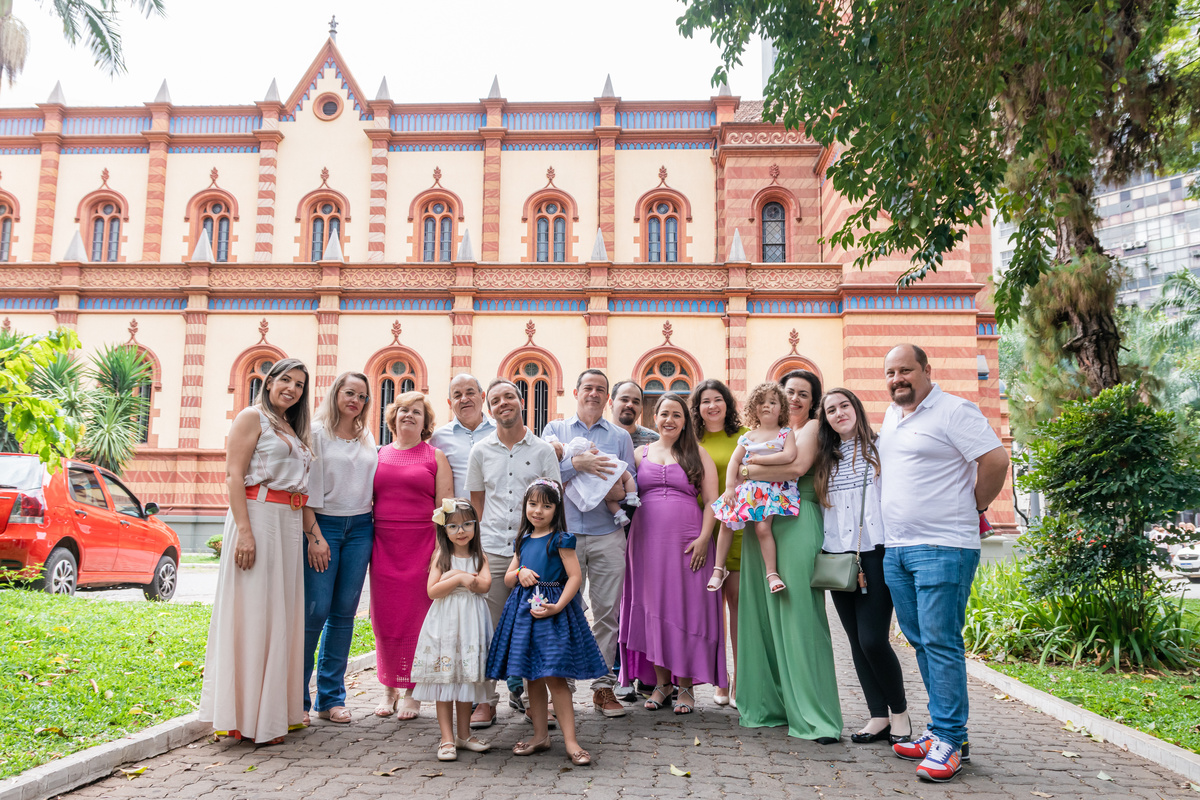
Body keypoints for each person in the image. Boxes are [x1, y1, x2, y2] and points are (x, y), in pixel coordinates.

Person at [878, 344, 1009, 782]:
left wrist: (975, 505)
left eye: (906, 370)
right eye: (890, 372)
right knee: (921, 642)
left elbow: (995, 459)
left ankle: (950, 738)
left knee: (941, 642)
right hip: (898, 548)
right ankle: (944, 732)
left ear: (927, 370)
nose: (897, 379)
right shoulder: (892, 415)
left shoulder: (954, 410)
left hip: (943, 546)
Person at [199, 358, 314, 745]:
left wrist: (311, 532)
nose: (292, 389)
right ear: (269, 382)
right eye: (286, 380)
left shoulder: (291, 426)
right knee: (255, 613)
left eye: (299, 385)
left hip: (287, 522)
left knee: (280, 614)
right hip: (258, 516)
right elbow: (234, 475)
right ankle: (245, 719)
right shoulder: (252, 417)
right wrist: (245, 532)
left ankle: (274, 715)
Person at [735, 369, 843, 742]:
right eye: (789, 391)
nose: (794, 398)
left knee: (800, 616)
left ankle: (815, 715)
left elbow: (796, 469)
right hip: (762, 522)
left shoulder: (810, 428)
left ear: (813, 402)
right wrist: (748, 472)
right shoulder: (768, 432)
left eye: (803, 394)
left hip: (796, 521)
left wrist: (748, 469)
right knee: (761, 616)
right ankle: (771, 705)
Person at [486, 479, 608, 766]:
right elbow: (508, 578)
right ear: (525, 506)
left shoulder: (561, 540)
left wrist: (558, 607)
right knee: (532, 676)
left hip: (553, 614)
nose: (538, 511)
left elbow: (575, 577)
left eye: (546, 506)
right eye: (532, 504)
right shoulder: (523, 540)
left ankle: (571, 741)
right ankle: (540, 736)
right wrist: (520, 572)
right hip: (524, 615)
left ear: (556, 510)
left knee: (555, 676)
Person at [619, 393, 726, 714]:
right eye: (664, 414)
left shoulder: (698, 453)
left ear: (685, 421)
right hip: (645, 543)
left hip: (689, 542)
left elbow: (712, 501)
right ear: (655, 417)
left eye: (677, 415)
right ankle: (663, 684)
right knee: (653, 608)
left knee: (685, 609)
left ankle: (686, 686)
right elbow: (621, 488)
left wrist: (705, 538)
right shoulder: (639, 454)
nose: (670, 420)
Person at [814, 388, 909, 746]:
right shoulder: (825, 458)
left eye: (844, 406)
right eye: (831, 410)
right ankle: (878, 715)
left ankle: (900, 713)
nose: (839, 413)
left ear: (856, 408)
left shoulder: (880, 448)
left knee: (873, 639)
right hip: (837, 558)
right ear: (826, 419)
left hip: (874, 554)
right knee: (856, 641)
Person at [465, 378, 562, 728]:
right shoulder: (480, 451)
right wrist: (474, 552)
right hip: (493, 548)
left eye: (509, 396)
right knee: (488, 629)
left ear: (521, 401)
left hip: (535, 551)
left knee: (537, 627)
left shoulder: (543, 450)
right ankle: (485, 701)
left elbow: (555, 501)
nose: (503, 403)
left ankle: (539, 703)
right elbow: (477, 505)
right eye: (496, 399)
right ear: (489, 407)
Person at [541, 369, 635, 717]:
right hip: (564, 536)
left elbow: (628, 483)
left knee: (607, 613)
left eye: (600, 389)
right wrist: (575, 464)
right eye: (588, 388)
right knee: (563, 611)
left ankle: (603, 687)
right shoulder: (554, 431)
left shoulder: (620, 436)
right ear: (576, 392)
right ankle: (561, 690)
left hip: (607, 533)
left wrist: (614, 490)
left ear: (607, 397)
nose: (593, 394)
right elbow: (543, 480)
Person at [371, 391, 453, 721]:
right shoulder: (378, 454)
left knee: (418, 620)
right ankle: (388, 687)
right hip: (383, 546)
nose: (409, 415)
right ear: (393, 417)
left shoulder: (435, 456)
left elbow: (445, 508)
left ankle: (413, 691)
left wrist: (441, 550)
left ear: (425, 422)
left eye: (416, 412)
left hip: (422, 546)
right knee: (385, 618)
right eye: (403, 409)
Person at [302, 371, 377, 726]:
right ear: (335, 394)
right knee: (315, 613)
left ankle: (331, 698)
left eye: (362, 396)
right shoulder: (316, 433)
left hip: (361, 527)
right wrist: (314, 535)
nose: (355, 401)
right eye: (350, 393)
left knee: (344, 614)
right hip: (325, 525)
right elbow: (302, 489)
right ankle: (297, 699)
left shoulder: (366, 435)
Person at [410, 498, 493, 762]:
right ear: (444, 530)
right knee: (445, 679)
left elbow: (485, 585)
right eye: (453, 526)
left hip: (471, 623)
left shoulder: (480, 557)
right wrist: (460, 578)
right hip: (445, 623)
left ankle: (464, 735)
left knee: (466, 678)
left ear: (475, 526)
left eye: (467, 524)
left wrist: (458, 577)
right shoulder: (441, 557)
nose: (461, 531)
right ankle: (447, 737)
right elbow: (432, 591)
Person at [711, 382, 801, 594]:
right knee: (726, 522)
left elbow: (789, 456)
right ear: (754, 408)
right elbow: (734, 462)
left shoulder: (785, 433)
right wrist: (730, 487)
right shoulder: (749, 436)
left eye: (773, 402)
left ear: (782, 408)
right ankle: (718, 569)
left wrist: (759, 460)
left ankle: (772, 574)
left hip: (771, 489)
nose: (767, 405)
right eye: (762, 402)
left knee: (762, 528)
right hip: (747, 488)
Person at [690, 379, 747, 707]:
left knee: (736, 604)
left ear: (728, 404)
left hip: (736, 530)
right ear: (697, 408)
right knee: (710, 610)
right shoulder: (690, 440)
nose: (712, 406)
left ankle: (740, 678)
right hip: (701, 531)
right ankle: (719, 679)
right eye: (705, 401)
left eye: (717, 400)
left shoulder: (744, 436)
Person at [543, 431, 640, 527]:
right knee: (625, 479)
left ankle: (620, 515)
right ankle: (630, 499)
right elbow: (545, 481)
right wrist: (575, 464)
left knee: (610, 499)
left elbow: (635, 480)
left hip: (607, 528)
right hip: (569, 526)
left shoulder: (622, 436)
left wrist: (620, 496)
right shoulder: (556, 430)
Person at [430, 374, 495, 499]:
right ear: (450, 403)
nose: (464, 399)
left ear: (482, 397)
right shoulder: (438, 439)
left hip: (497, 511)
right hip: (458, 511)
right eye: (457, 395)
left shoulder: (500, 431)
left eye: (470, 393)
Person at [610, 380, 660, 448]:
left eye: (635, 402)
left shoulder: (655, 441)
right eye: (624, 400)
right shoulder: (597, 437)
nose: (630, 405)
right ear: (611, 403)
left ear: (641, 409)